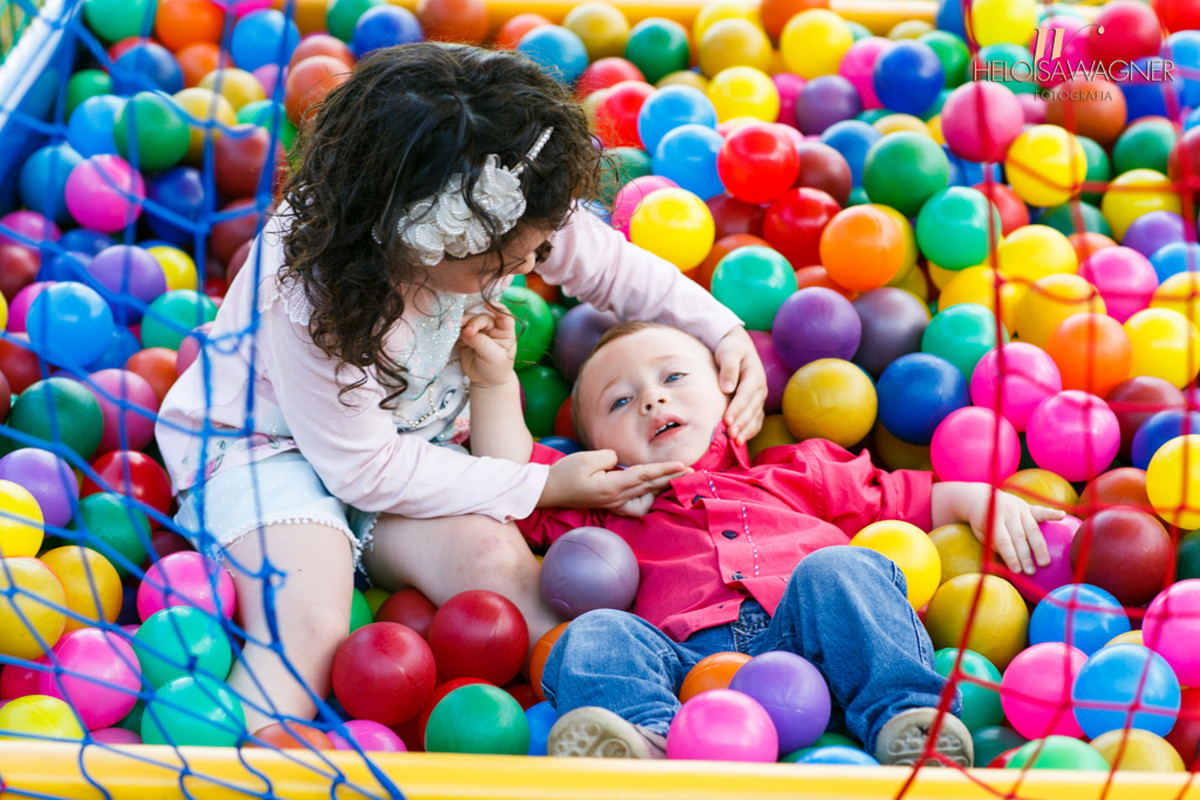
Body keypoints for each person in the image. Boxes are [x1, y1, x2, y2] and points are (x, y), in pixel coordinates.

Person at [154, 44, 767, 734]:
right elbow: (362, 469)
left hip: (415, 445)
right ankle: (224, 763)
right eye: (505, 263)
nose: (528, 267)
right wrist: (541, 486)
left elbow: (609, 266)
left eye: (537, 251)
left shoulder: (500, 193)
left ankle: (646, 725)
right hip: (267, 453)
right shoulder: (313, 293)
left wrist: (720, 330)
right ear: (428, 239)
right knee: (313, 626)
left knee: (503, 571)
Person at [460, 317, 1062, 766]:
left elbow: (906, 498)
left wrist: (978, 500)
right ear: (597, 451)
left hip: (818, 650)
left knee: (842, 568)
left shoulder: (800, 471)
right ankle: (645, 742)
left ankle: (907, 720)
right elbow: (510, 474)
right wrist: (492, 380)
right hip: (685, 677)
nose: (651, 398)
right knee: (595, 633)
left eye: (674, 377)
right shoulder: (601, 508)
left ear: (731, 395)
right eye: (620, 401)